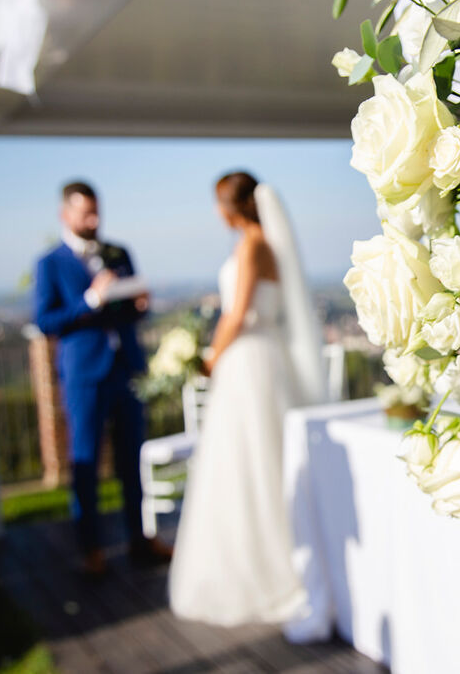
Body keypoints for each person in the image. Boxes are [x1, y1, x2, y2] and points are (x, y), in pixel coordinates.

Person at [168, 171, 323, 625]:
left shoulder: (253, 245)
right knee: (254, 459)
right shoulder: (263, 243)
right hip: (260, 356)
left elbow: (236, 314)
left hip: (248, 359)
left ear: (232, 207)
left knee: (250, 462)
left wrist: (210, 358)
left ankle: (265, 570)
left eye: (220, 204)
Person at [34, 181, 172, 576]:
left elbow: (128, 311)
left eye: (97, 212)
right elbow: (45, 321)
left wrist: (138, 305)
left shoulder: (118, 252)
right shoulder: (50, 263)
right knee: (86, 462)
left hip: (125, 369)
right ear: (66, 214)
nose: (94, 220)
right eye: (85, 213)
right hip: (85, 376)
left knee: (132, 459)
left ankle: (139, 539)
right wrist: (91, 300)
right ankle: (91, 548)